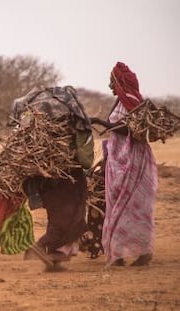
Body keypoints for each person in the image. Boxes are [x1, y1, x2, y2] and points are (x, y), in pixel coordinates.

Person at [11, 86, 91, 271]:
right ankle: (41, 246)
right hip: (67, 175)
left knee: (61, 216)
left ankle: (55, 259)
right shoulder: (74, 123)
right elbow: (84, 154)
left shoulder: (31, 122)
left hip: (45, 177)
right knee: (67, 217)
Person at [90, 62, 157, 267]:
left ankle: (140, 252)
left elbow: (129, 129)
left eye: (112, 81)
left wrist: (101, 123)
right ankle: (118, 252)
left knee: (133, 205)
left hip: (133, 159)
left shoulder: (131, 101)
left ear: (119, 81)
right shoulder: (121, 101)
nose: (110, 86)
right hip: (119, 158)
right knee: (117, 202)